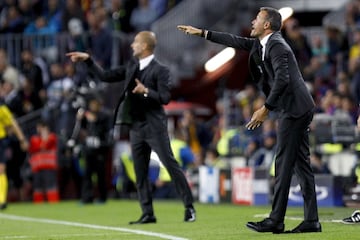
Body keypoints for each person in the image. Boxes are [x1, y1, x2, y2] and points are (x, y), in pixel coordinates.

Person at [178, 7, 321, 233]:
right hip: (293, 108)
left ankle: (276, 220)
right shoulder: (261, 44)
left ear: (267, 25)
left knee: (283, 164)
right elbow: (234, 40)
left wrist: (265, 108)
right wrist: (203, 33)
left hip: (294, 110)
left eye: (257, 19)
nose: (252, 21)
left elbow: (283, 80)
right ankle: (312, 220)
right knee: (300, 164)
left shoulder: (278, 46)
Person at [66, 31, 196, 224]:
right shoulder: (131, 67)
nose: (131, 45)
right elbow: (105, 76)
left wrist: (146, 91)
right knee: (140, 171)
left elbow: (165, 98)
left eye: (135, 42)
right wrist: (88, 60)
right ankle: (147, 213)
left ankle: (189, 207)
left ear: (144, 46)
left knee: (170, 165)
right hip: (136, 126)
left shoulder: (160, 70)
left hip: (154, 126)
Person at [0, 98, 28, 210]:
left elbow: (12, 123)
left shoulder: (2, 107)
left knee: (1, 169)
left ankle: (1, 200)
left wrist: (22, 139)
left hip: (0, 140)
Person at [28, 120, 59, 203]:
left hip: (49, 166)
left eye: (41, 127)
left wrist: (45, 138)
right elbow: (36, 148)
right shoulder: (34, 138)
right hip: (37, 167)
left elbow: (46, 145)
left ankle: (53, 203)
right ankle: (38, 204)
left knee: (51, 186)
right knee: (37, 187)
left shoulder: (52, 137)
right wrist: (43, 140)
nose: (39, 129)